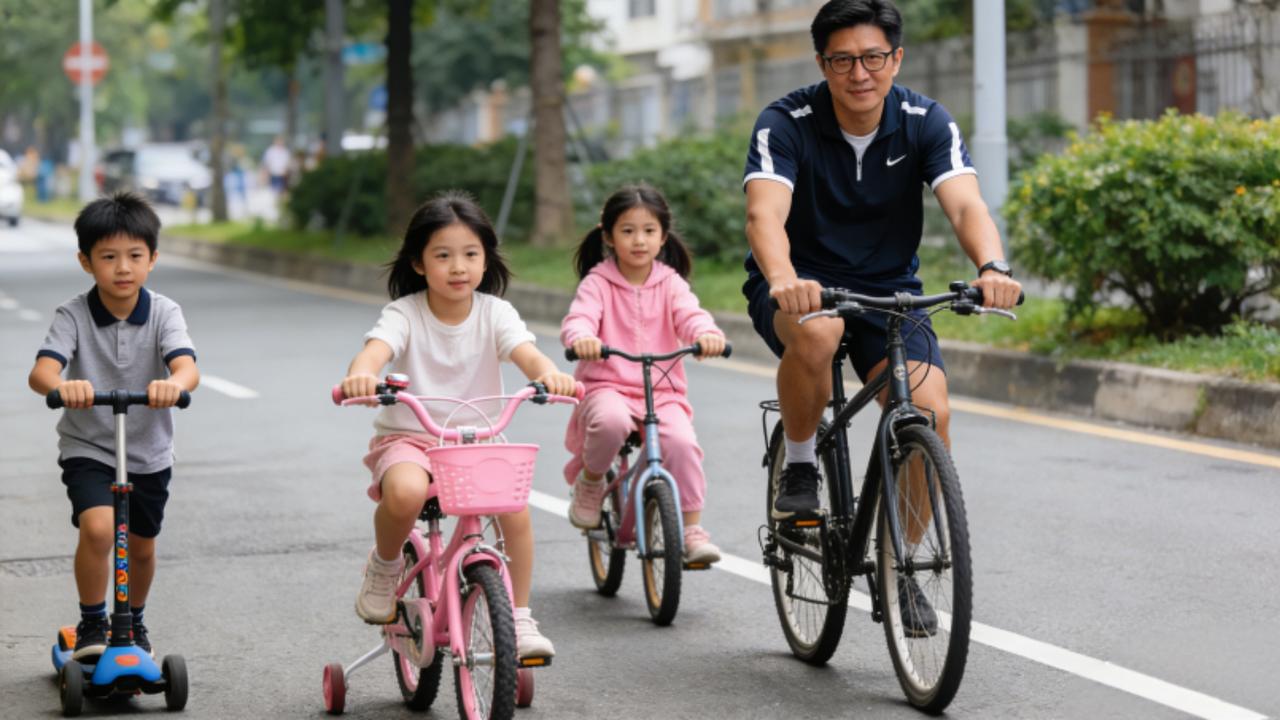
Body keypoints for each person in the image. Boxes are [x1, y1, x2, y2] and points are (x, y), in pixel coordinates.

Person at [741, 0, 1022, 630]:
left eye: (873, 57)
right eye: (842, 60)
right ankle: (802, 463)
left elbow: (965, 204)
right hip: (799, 286)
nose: (859, 73)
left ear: (896, 58)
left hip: (889, 287)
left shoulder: (925, 121)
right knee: (818, 331)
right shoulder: (785, 121)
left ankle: (901, 564)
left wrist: (993, 269)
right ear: (822, 63)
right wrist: (784, 279)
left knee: (929, 411)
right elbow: (764, 214)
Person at [339, 190, 575, 661]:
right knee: (404, 493)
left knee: (515, 511)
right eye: (443, 256)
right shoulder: (405, 313)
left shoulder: (495, 312)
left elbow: (525, 351)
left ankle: (520, 616)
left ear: (487, 260)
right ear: (420, 263)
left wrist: (547, 374)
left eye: (470, 254)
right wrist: (361, 375)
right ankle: (385, 565)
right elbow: (377, 349)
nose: (458, 267)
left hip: (479, 439)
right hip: (411, 436)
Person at [27, 192, 200, 660]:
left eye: (134, 257)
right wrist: (62, 386)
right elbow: (42, 371)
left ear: (153, 259)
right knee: (100, 530)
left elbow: (186, 367)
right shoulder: (73, 315)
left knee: (141, 547)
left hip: (149, 451)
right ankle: (91, 622)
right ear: (86, 262)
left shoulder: (164, 312)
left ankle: (135, 623)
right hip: (91, 446)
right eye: (108, 257)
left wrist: (174, 384)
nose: (122, 268)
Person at [561, 185, 727, 566]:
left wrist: (706, 335)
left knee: (682, 444)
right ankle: (591, 481)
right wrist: (582, 338)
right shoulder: (598, 283)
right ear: (608, 236)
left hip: (661, 391)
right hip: (608, 385)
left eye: (649, 231)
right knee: (610, 422)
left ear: (663, 237)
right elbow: (580, 318)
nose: (639, 240)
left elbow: (691, 314)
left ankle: (691, 530)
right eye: (628, 231)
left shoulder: (670, 282)